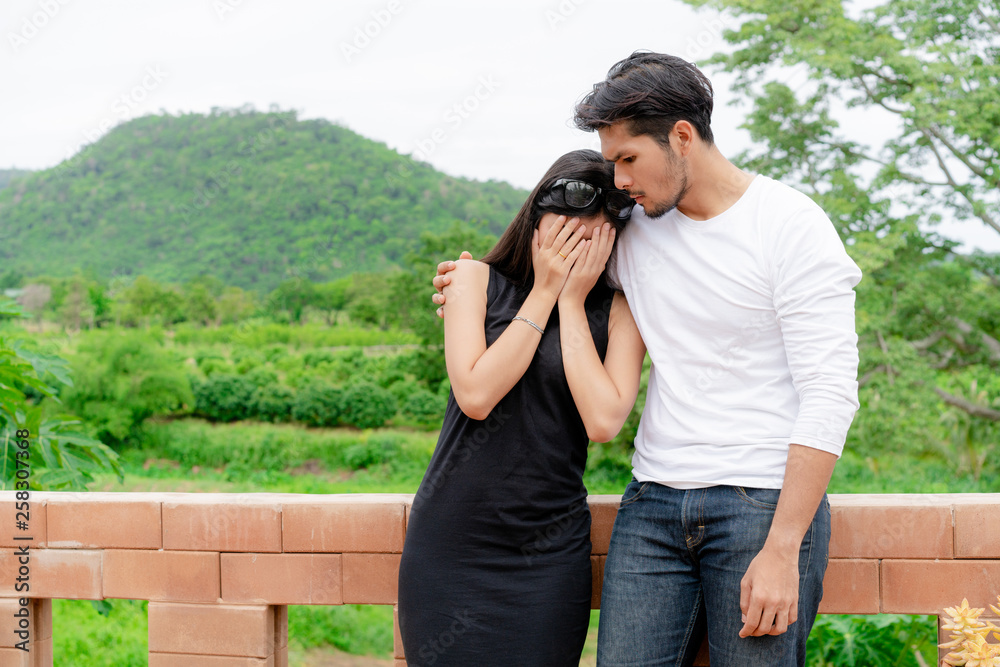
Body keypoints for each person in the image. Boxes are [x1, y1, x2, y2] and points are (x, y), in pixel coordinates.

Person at [433, 52, 862, 666]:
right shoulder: (633, 228)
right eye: (612, 164)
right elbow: (543, 260)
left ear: (682, 138)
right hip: (652, 503)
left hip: (760, 503)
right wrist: (463, 281)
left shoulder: (790, 225)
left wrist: (783, 546)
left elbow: (830, 393)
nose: (621, 180)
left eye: (629, 159)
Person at [398, 149, 647, 667]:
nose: (570, 247)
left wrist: (573, 304)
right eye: (561, 232)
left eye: (589, 238)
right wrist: (546, 291)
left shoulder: (621, 311)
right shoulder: (473, 281)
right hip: (452, 542)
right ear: (534, 217)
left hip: (549, 554)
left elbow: (603, 422)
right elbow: (476, 394)